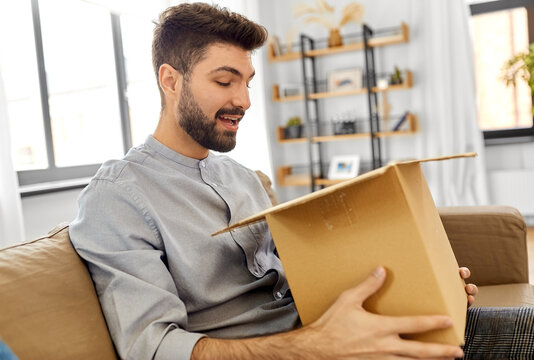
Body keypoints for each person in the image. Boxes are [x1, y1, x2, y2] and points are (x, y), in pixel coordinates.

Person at [70, 3, 478, 359]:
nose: (245, 100)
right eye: (225, 81)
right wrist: (313, 347)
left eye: (247, 82)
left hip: (339, 338)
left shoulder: (243, 178)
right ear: (170, 80)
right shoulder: (118, 197)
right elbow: (154, 348)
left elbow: (306, 275)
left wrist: (420, 279)